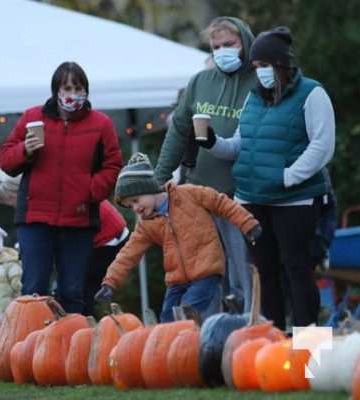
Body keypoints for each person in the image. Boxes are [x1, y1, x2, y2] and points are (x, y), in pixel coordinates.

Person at [199, 27, 335, 330]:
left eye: (265, 66)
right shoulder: (253, 100)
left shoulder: (312, 93)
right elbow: (239, 145)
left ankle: (311, 357)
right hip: (252, 199)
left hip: (295, 200)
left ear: (281, 64)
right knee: (264, 274)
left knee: (298, 272)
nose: (260, 72)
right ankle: (269, 352)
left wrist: (288, 177)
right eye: (257, 67)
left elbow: (322, 146)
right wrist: (212, 142)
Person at [0, 61, 122, 313]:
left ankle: (72, 347)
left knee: (72, 292)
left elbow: (113, 165)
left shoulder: (101, 124)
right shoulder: (32, 118)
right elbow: (6, 160)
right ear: (56, 90)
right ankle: (30, 348)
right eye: (67, 88)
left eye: (78, 88)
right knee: (34, 289)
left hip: (79, 220)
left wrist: (92, 191)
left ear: (86, 91)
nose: (72, 95)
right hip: (35, 218)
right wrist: (25, 150)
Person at [154, 17, 257, 312]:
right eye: (217, 46)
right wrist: (159, 177)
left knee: (245, 277)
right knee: (206, 275)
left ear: (245, 44)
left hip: (242, 196)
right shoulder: (200, 82)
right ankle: (209, 342)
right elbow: (178, 132)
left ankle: (252, 334)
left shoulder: (259, 81)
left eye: (230, 45)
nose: (223, 51)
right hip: (200, 196)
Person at [94, 153, 261, 322]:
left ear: (148, 188)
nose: (135, 208)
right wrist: (110, 282)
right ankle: (182, 345)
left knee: (186, 315)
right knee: (167, 321)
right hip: (176, 281)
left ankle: (205, 343)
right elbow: (128, 254)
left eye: (136, 200)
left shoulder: (189, 194)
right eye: (130, 206)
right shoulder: (146, 224)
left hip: (206, 271)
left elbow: (222, 203)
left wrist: (248, 224)